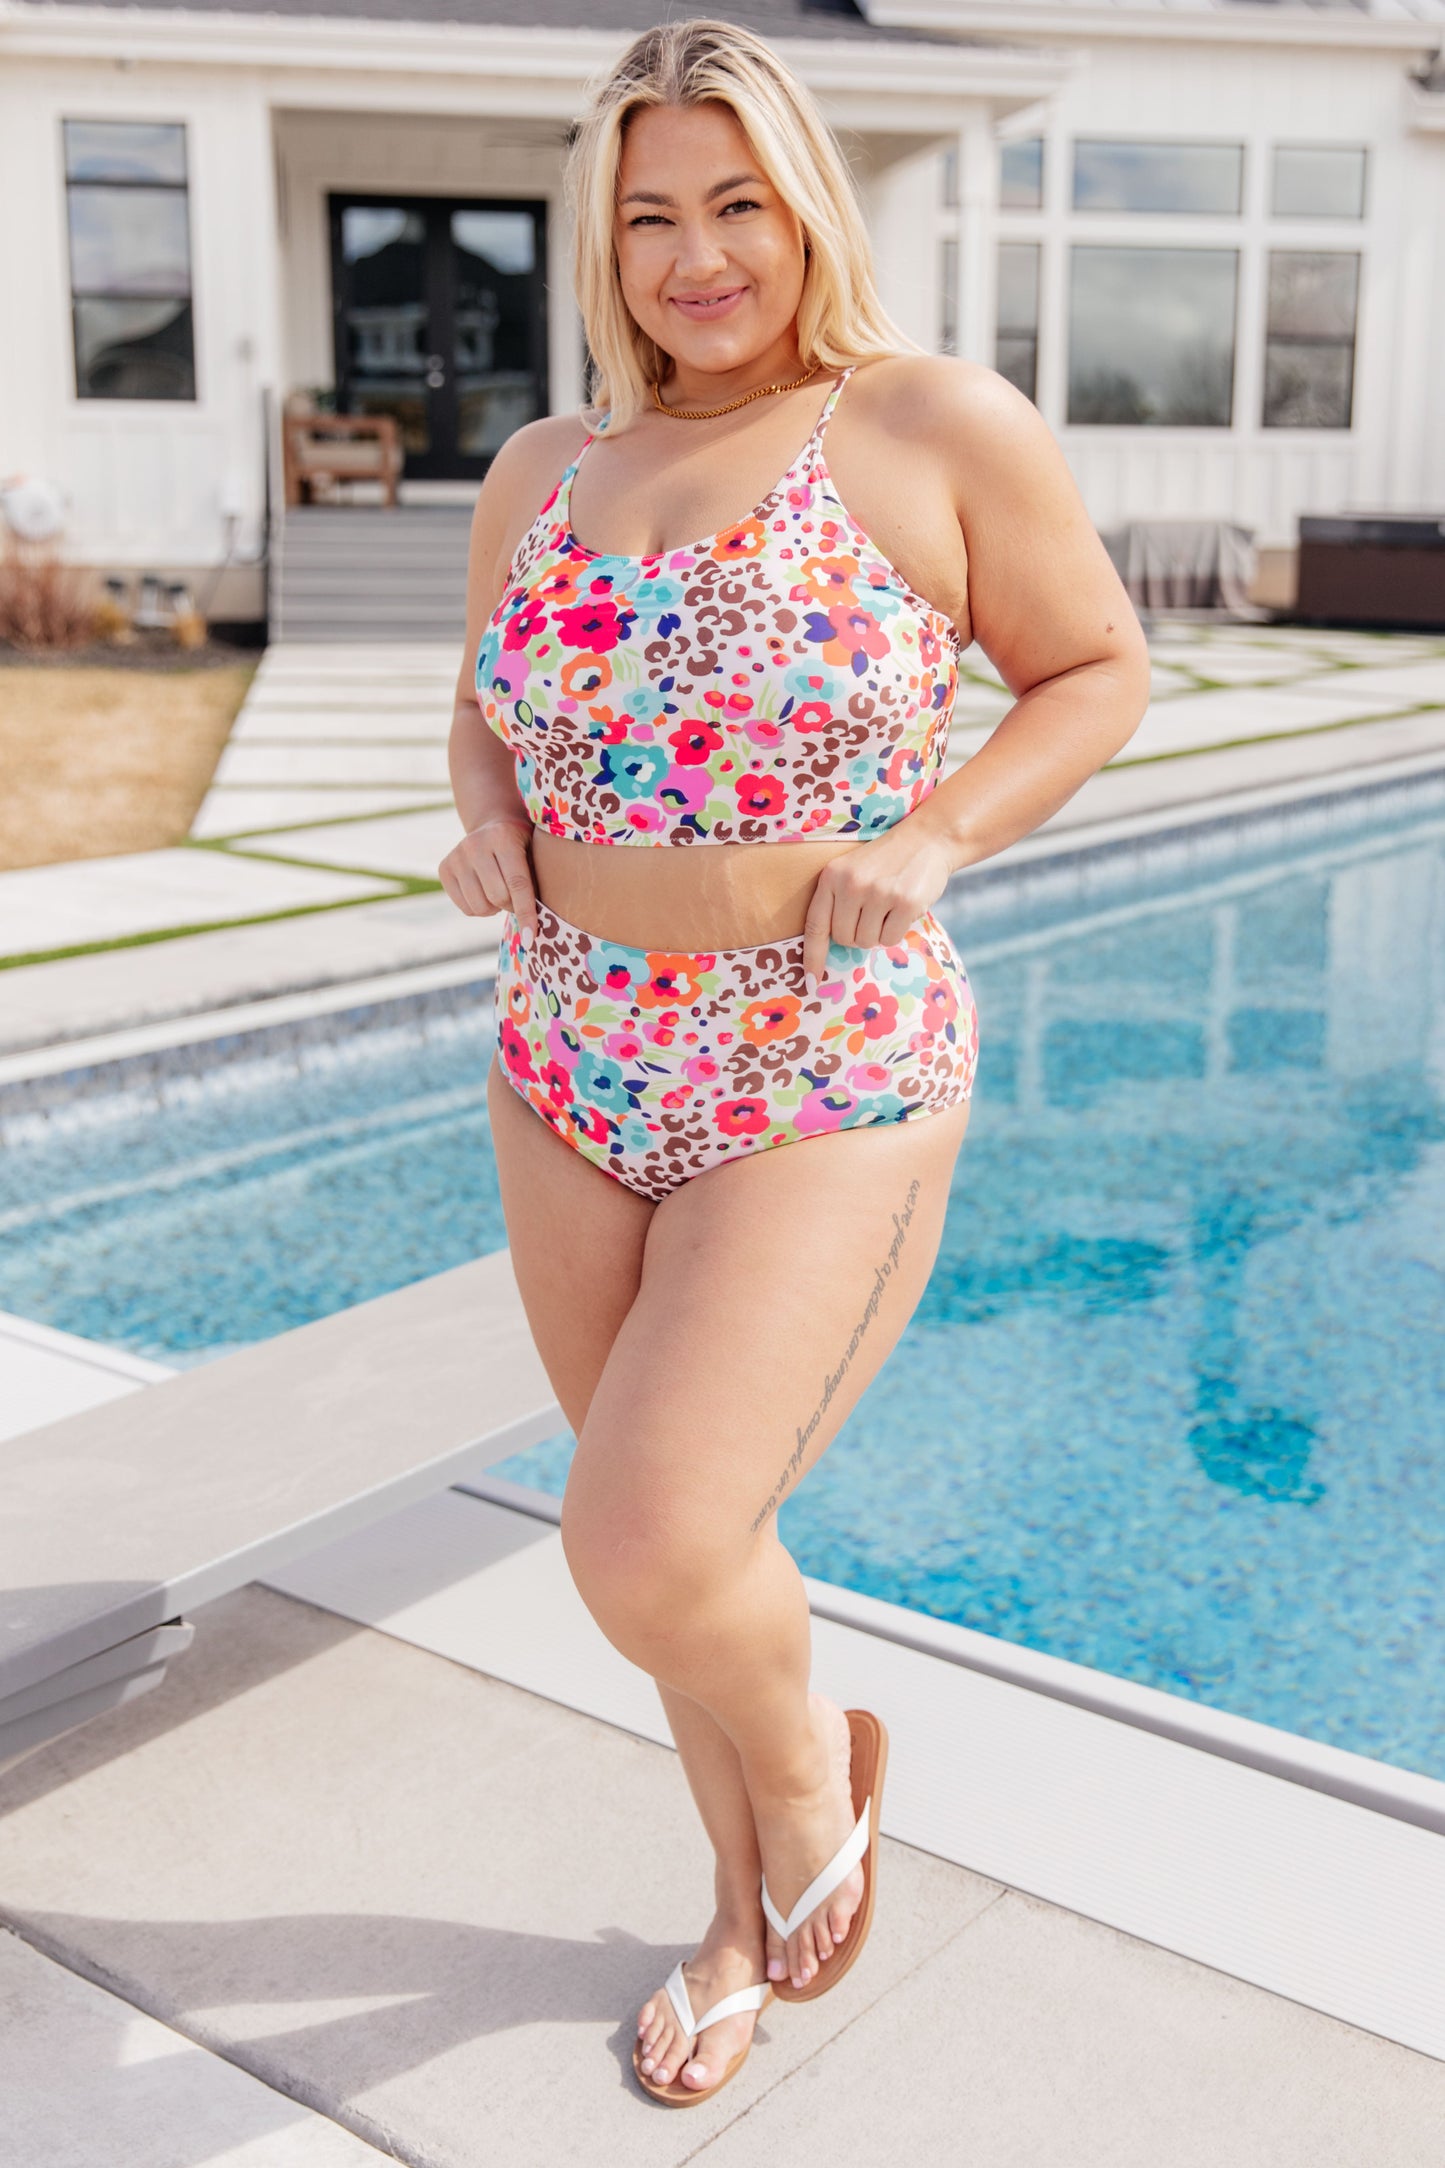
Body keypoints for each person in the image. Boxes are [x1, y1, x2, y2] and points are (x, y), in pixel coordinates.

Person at [440, 16, 1149, 2106]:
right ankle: (738, 1909)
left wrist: (936, 838)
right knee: (672, 1559)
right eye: (648, 216)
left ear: (805, 205)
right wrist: (486, 816)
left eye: (736, 202)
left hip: (819, 1066)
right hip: (569, 1061)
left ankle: (818, 1780)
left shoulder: (926, 423)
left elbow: (1094, 667)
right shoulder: (541, 470)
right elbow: (484, 702)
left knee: (649, 1539)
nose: (697, 257)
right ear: (603, 244)